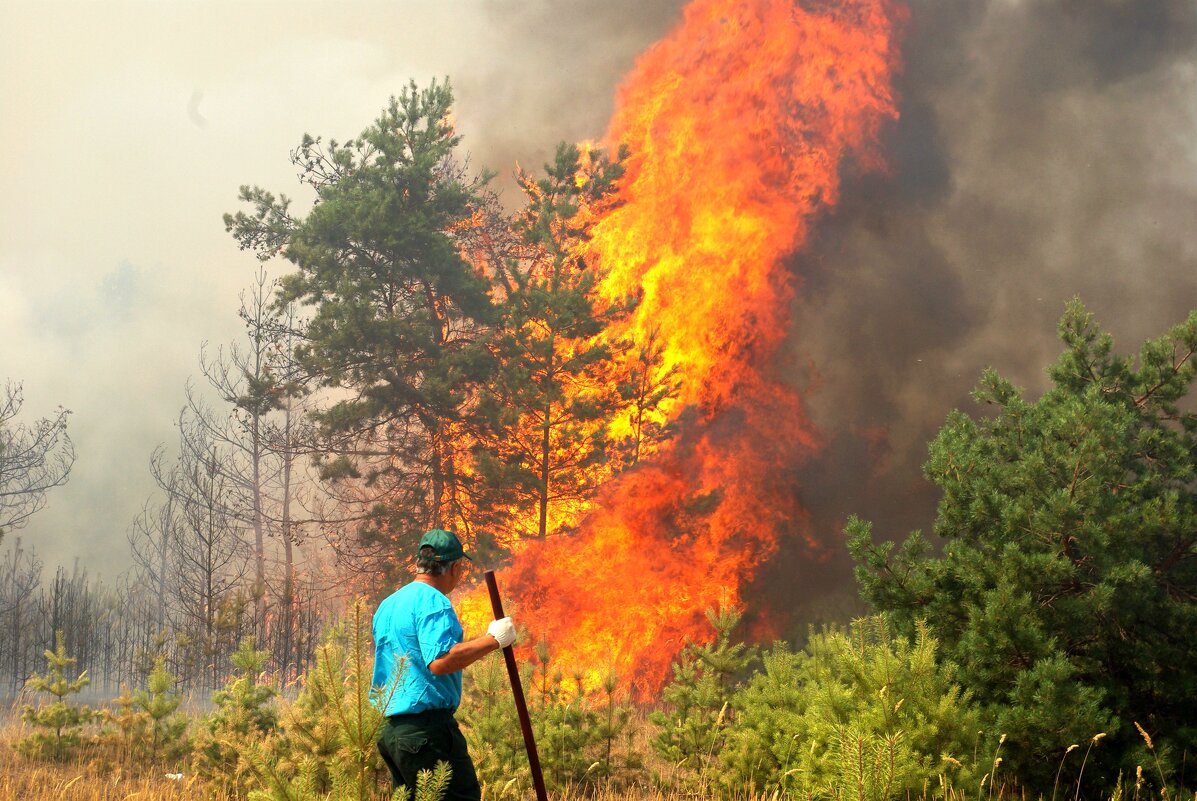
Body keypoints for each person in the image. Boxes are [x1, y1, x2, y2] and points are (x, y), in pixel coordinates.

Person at [372, 528, 516, 801]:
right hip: (428, 734)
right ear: (455, 567)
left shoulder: (388, 605)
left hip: (392, 734)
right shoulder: (434, 601)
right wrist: (494, 640)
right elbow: (440, 661)